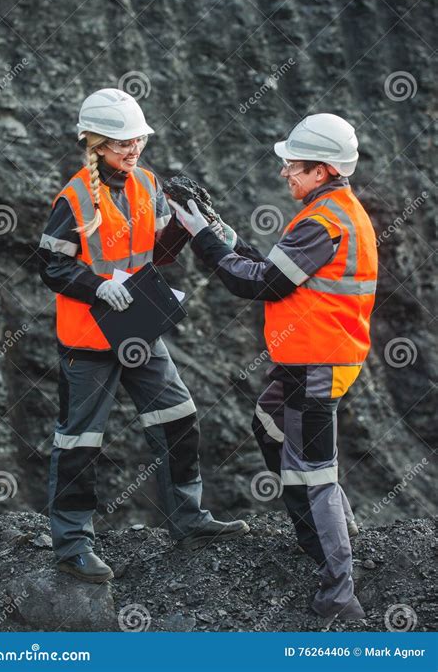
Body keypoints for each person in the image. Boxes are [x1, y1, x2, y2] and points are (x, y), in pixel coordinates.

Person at [169, 113, 378, 621]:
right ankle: (327, 537)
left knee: (313, 468)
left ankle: (339, 590)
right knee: (268, 423)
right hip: (305, 358)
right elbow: (268, 271)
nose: (285, 172)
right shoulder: (326, 211)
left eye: (294, 166)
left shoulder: (323, 221)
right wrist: (220, 234)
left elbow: (257, 285)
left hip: (319, 362)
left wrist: (203, 239)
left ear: (324, 170)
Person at [38, 88, 248, 584]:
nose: (132, 148)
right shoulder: (74, 197)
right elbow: (51, 265)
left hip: (137, 328)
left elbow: (157, 252)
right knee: (80, 440)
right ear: (95, 143)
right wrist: (97, 285)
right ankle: (72, 544)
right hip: (88, 340)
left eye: (137, 138)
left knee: (178, 417)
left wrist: (192, 226)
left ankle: (189, 519)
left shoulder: (147, 184)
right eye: (121, 141)